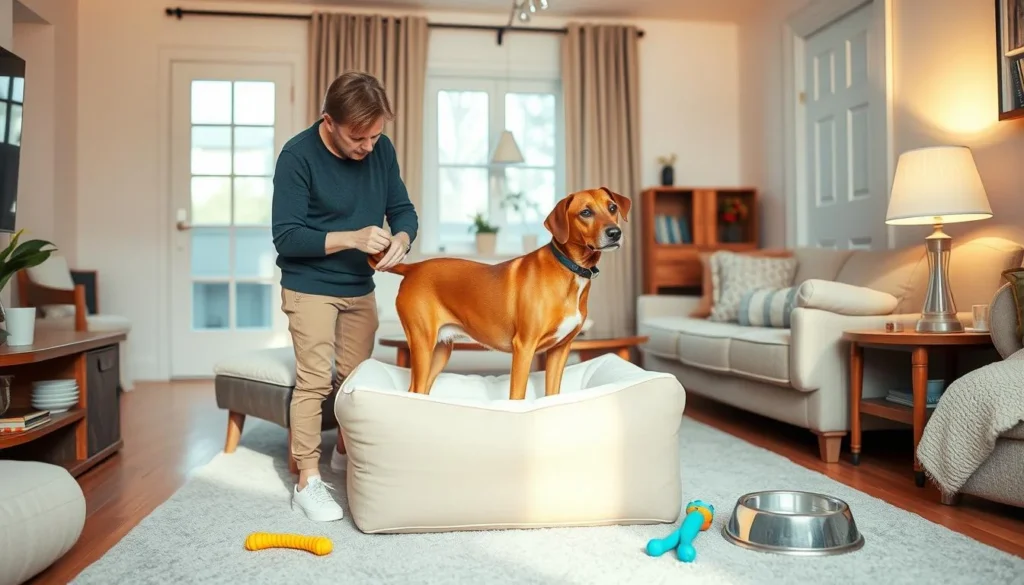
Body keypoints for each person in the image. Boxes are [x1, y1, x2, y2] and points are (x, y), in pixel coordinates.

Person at [271, 70, 418, 522]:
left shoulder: (381, 149)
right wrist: (351, 238)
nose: (368, 147)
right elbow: (287, 238)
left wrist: (403, 239)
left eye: (376, 136)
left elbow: (403, 210)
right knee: (315, 380)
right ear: (328, 122)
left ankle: (343, 454)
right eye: (359, 137)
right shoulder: (297, 156)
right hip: (309, 284)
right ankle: (308, 480)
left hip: (359, 286)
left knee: (354, 382)